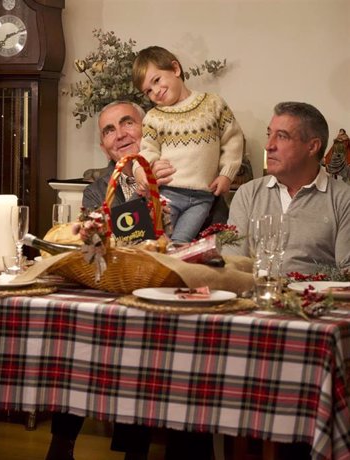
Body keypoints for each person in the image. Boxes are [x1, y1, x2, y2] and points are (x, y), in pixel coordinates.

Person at [47, 100, 214, 460]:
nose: (119, 135)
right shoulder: (99, 188)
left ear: (149, 128)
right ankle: (62, 446)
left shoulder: (186, 171)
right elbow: (98, 244)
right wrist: (137, 197)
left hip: (181, 294)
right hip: (121, 289)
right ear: (103, 145)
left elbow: (215, 235)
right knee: (77, 332)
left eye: (127, 123)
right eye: (109, 130)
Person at [131, 46, 244, 243]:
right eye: (148, 91)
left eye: (157, 80)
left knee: (181, 243)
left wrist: (227, 173)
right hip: (168, 193)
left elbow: (232, 139)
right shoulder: (153, 117)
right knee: (155, 240)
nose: (156, 91)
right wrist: (141, 172)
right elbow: (147, 151)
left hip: (202, 198)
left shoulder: (213, 103)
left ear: (175, 69)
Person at [224, 102, 350, 275]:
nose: (269, 145)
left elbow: (347, 274)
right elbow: (232, 263)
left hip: (316, 299)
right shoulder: (248, 193)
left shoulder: (343, 199)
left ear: (312, 146)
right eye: (269, 134)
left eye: (282, 136)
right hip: (255, 297)